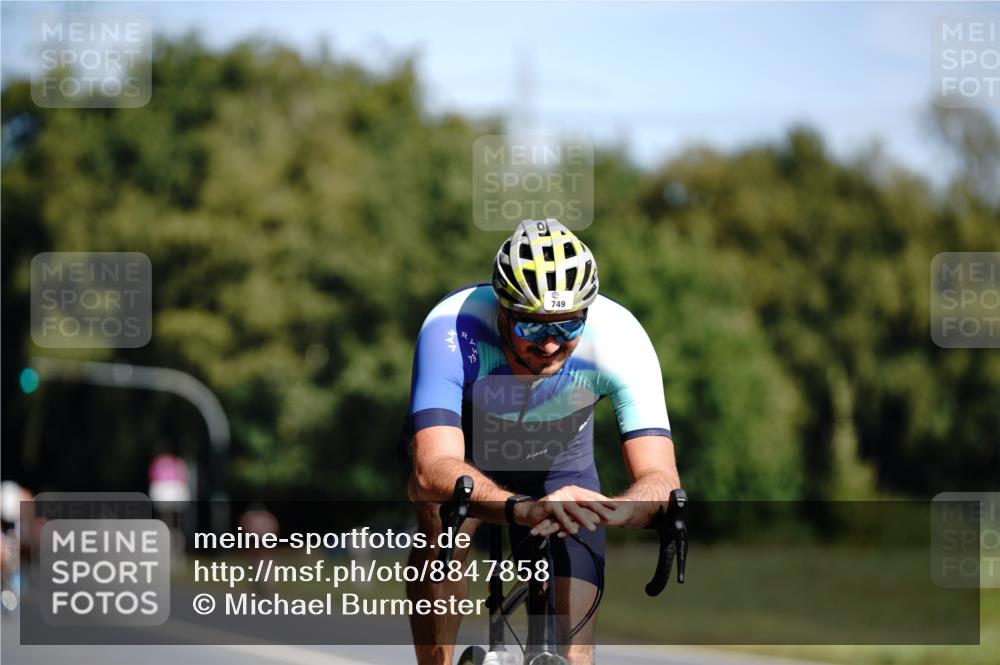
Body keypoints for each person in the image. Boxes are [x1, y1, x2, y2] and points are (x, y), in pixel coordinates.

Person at [404, 218, 680, 665]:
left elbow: (661, 480)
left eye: (568, 326)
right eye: (532, 327)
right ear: (502, 309)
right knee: (442, 524)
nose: (551, 344)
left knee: (575, 648)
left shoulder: (621, 338)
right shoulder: (452, 326)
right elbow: (430, 469)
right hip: (470, 448)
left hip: (561, 458)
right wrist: (521, 508)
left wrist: (608, 508)